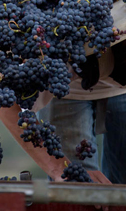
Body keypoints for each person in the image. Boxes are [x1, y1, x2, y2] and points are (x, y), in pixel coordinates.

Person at [36, 42, 126, 184]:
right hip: (64, 92)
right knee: (77, 188)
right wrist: (56, 167)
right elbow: (6, 104)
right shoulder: (51, 67)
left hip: (121, 84)